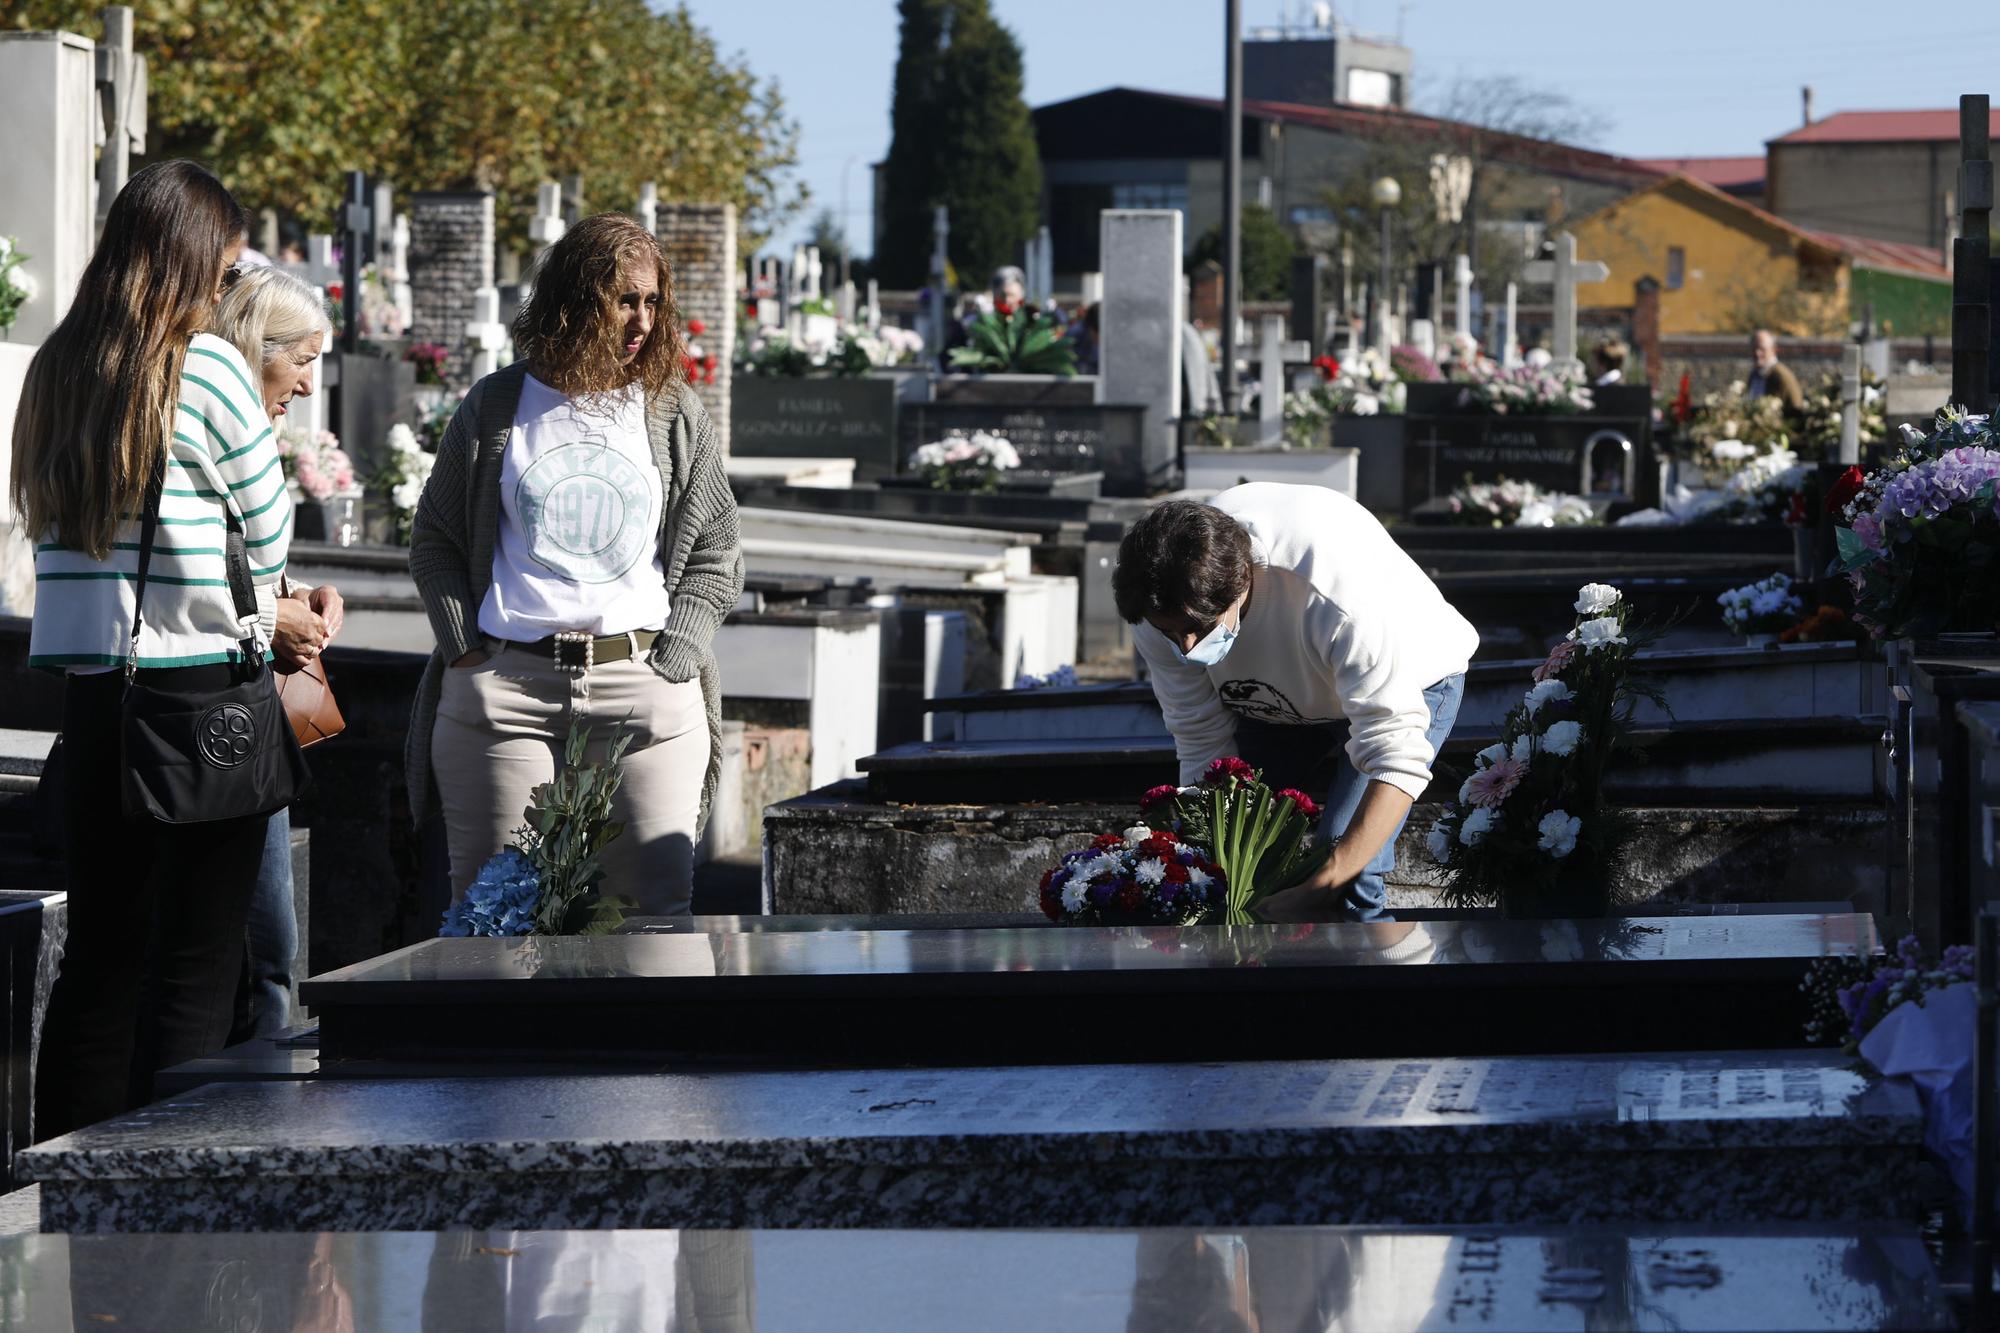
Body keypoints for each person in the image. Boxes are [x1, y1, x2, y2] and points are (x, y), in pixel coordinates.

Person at [15, 161, 294, 1137]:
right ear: (188, 263)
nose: (221, 294)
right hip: (200, 696)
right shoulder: (206, 366)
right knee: (196, 963)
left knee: (98, 961)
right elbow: (268, 532)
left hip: (94, 703)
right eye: (220, 274)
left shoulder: (58, 364)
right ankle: (165, 1205)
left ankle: (66, 1190)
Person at [408, 213, 743, 917]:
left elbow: (716, 544)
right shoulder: (498, 405)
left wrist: (679, 650)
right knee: (496, 917)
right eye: (626, 300)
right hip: (507, 694)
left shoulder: (671, 409)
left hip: (645, 691)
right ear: (575, 299)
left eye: (654, 302)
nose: (643, 320)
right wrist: (463, 648)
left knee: (652, 921)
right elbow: (436, 535)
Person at [1114, 484, 1477, 922]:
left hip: (1407, 682)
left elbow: (1395, 756)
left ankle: (1367, 980)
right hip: (1273, 701)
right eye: (1171, 633)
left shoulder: (1331, 594)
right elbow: (1201, 738)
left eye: (1198, 628)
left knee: (1346, 875)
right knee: (1238, 863)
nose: (1187, 648)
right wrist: (1209, 859)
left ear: (1240, 584)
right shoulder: (1157, 601)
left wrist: (1323, 885)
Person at [211, 264, 347, 1039]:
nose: (304, 384)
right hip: (220, 712)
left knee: (274, 947)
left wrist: (302, 595)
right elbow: (191, 574)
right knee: (265, 952)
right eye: (301, 360)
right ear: (258, 347)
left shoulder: (255, 426)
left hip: (253, 708)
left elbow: (244, 564)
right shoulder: (213, 423)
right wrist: (273, 616)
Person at [1746, 329, 1805, 410]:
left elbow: (1796, 407)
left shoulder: (1780, 376)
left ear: (1773, 350)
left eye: (1762, 349)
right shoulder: (1754, 374)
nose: (1757, 353)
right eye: (1754, 348)